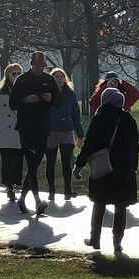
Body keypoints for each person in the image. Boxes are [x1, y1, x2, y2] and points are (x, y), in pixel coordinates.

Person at [73, 88, 139, 253]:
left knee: (99, 203)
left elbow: (89, 145)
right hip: (125, 169)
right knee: (121, 206)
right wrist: (133, 167)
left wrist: (79, 165)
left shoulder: (100, 118)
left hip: (104, 167)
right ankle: (117, 242)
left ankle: (95, 238)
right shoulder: (128, 119)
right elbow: (135, 147)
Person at [9, 51, 61, 215]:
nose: (40, 69)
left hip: (43, 126)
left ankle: (23, 200)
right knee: (31, 162)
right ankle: (38, 200)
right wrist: (25, 100)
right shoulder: (22, 79)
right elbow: (12, 103)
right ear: (31, 64)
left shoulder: (49, 79)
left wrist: (50, 98)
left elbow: (59, 102)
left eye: (42, 66)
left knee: (34, 164)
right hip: (26, 127)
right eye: (37, 66)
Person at [45, 67, 85, 201]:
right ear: (52, 79)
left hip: (67, 130)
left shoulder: (70, 94)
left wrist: (80, 134)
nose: (60, 79)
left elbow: (75, 115)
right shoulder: (47, 94)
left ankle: (68, 189)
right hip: (51, 131)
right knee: (50, 161)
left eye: (62, 77)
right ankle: (51, 190)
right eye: (56, 77)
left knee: (66, 161)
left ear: (65, 79)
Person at [0, 64, 24, 201]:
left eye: (19, 74)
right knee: (7, 159)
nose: (16, 76)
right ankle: (9, 185)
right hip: (4, 130)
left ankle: (14, 183)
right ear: (7, 75)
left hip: (19, 130)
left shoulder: (24, 91)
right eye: (13, 74)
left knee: (18, 160)